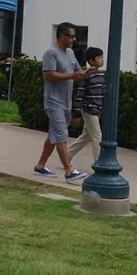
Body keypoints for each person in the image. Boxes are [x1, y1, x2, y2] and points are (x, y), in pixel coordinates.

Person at [36, 22, 88, 180]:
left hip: (66, 102)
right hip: (53, 102)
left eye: (74, 36)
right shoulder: (51, 53)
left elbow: (77, 69)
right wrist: (72, 76)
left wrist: (83, 73)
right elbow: (49, 75)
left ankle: (40, 166)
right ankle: (69, 170)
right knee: (61, 135)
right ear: (62, 36)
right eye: (71, 36)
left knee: (54, 134)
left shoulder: (71, 53)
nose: (74, 39)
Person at [68, 46, 106, 168]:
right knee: (97, 136)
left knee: (86, 136)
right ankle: (98, 163)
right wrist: (77, 113)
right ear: (91, 61)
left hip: (96, 109)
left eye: (102, 57)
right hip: (89, 110)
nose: (102, 60)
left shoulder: (102, 75)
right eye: (99, 57)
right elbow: (80, 94)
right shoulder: (87, 76)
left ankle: (67, 155)